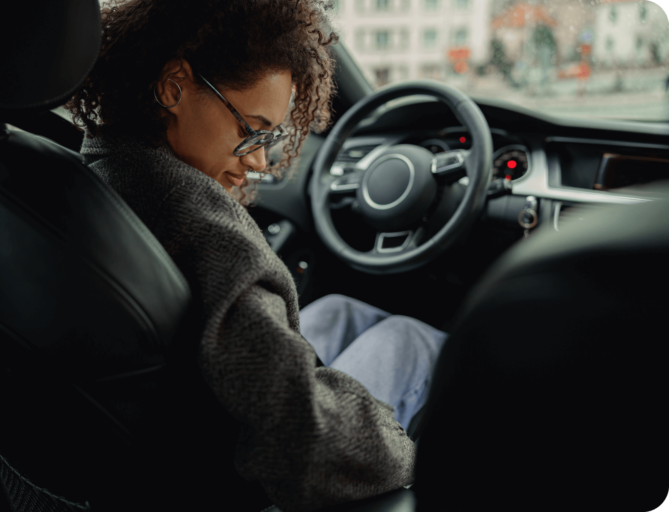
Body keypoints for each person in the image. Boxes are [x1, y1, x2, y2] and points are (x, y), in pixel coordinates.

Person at [67, 1, 447, 510]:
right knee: (410, 339)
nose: (263, 162)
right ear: (173, 85)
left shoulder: (99, 162)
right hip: (229, 482)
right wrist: (407, 456)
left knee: (342, 311)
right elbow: (293, 432)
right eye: (250, 131)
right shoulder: (192, 213)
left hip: (161, 439)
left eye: (270, 137)